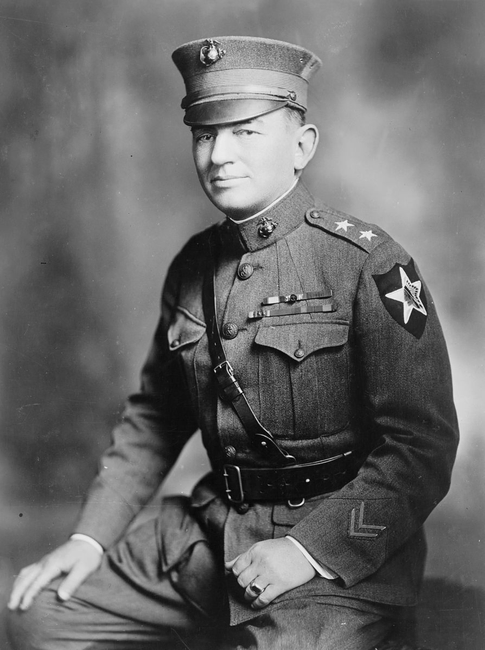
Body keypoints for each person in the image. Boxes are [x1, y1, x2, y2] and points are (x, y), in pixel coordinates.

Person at [7, 36, 458, 650]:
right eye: (204, 134)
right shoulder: (194, 265)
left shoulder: (367, 265)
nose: (219, 155)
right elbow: (156, 419)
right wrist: (89, 538)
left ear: (303, 147)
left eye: (246, 132)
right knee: (41, 614)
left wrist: (307, 550)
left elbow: (421, 447)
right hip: (211, 529)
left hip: (332, 552)